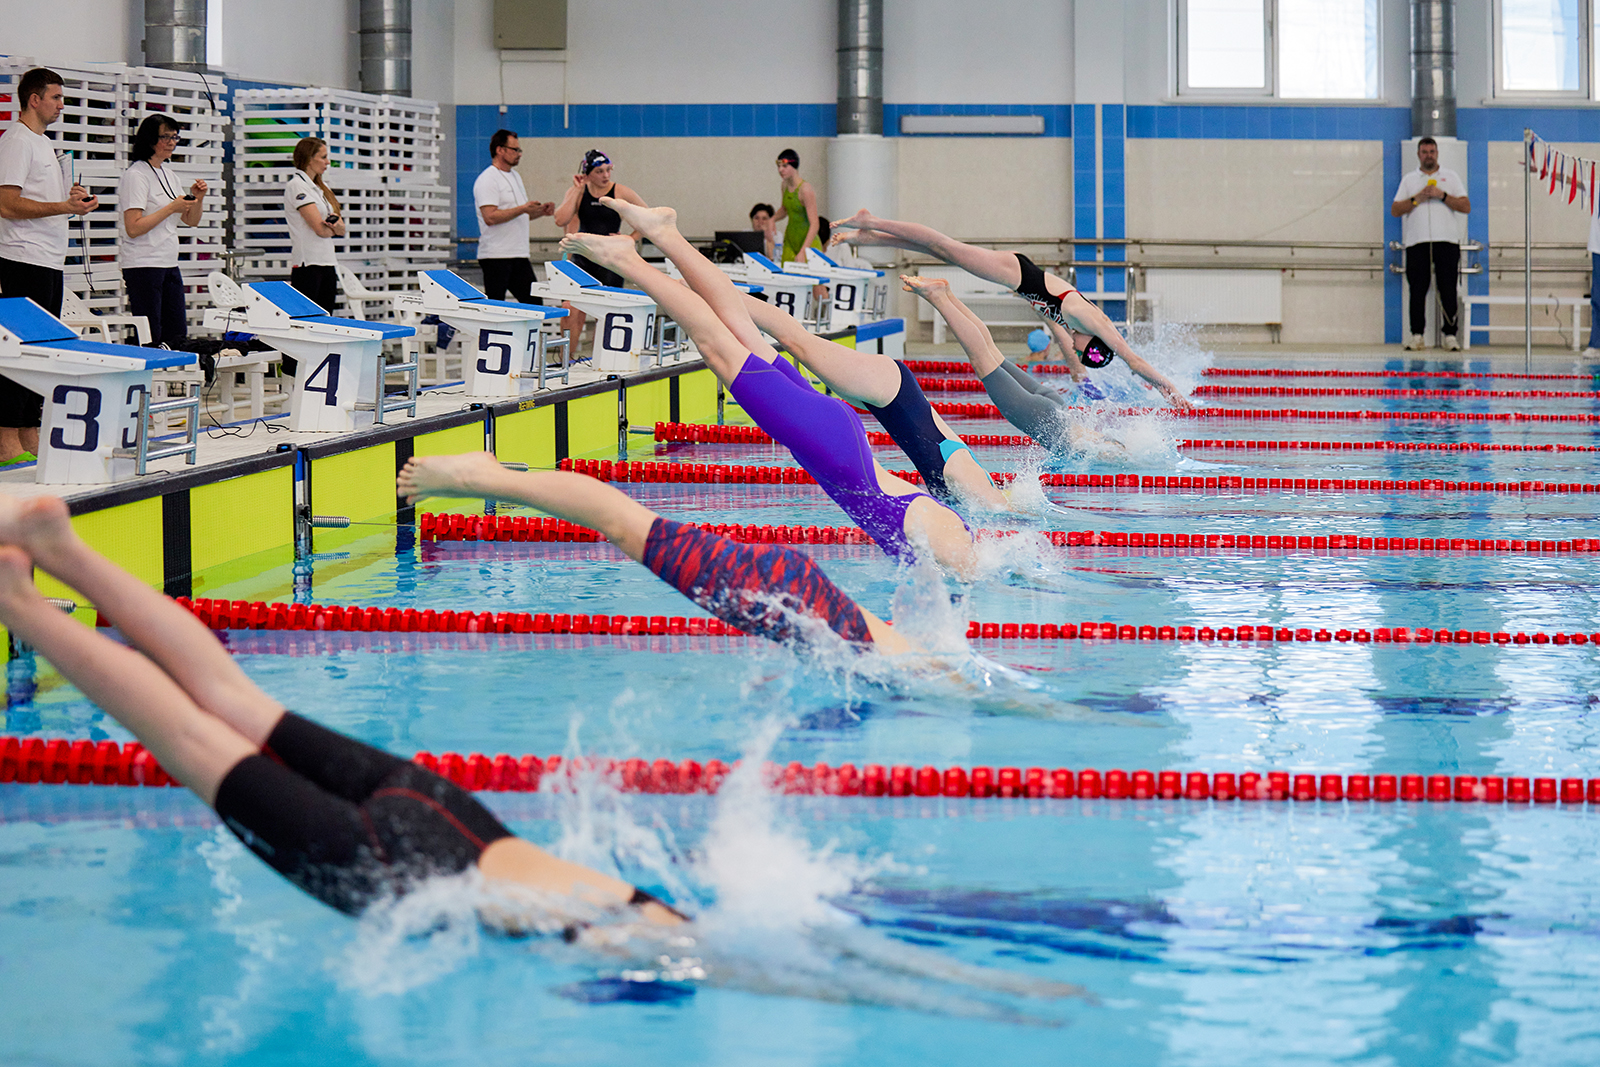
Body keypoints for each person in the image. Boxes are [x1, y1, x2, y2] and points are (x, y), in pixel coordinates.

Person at [0, 492, 690, 931]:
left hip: (459, 818)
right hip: (400, 873)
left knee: (233, 698)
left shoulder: (679, 924)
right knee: (188, 737)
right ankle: (18, 605)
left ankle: (64, 550)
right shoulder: (695, 962)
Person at [558, 200, 976, 577]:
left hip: (834, 441)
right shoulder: (958, 552)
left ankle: (666, 233)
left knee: (739, 332)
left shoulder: (960, 536)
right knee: (718, 346)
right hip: (833, 447)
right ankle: (630, 261)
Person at [399, 452, 914, 654]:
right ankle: (485, 476)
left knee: (628, 527)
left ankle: (490, 476)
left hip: (804, 602)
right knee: (625, 526)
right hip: (796, 596)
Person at [828, 210, 1193, 409]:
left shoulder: (1076, 327)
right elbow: (1133, 360)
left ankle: (873, 237)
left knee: (940, 251)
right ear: (1094, 344)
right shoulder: (1094, 322)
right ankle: (871, 221)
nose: (1076, 350)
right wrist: (1168, 387)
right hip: (1017, 273)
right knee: (943, 244)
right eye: (1083, 352)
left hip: (1017, 278)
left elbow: (1070, 347)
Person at [739, 290, 1011, 510]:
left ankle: (724, 307)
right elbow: (1002, 511)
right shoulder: (971, 480)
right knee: (798, 342)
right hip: (891, 389)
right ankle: (728, 295)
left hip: (883, 401)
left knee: (792, 353)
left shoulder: (966, 494)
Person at [0, 67, 98, 465]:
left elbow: (45, 204)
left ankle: (29, 432)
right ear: (34, 99)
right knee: (19, 351)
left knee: (41, 353)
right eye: (56, 97)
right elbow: (7, 203)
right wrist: (63, 206)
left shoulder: (43, 144)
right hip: (22, 259)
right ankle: (6, 440)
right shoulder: (17, 142)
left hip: (47, 260)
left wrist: (71, 201)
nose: (62, 104)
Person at [904, 275, 1101, 453]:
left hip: (1058, 409)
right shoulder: (1112, 453)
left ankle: (948, 296)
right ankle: (938, 297)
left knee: (991, 352)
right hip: (1046, 421)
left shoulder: (1116, 443)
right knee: (981, 358)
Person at [119, 115, 207, 348]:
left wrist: (197, 199)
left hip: (168, 262)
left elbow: (191, 220)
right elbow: (133, 227)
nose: (171, 142)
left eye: (174, 137)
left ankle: (174, 382)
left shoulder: (169, 174)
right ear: (149, 139)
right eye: (165, 137)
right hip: (144, 264)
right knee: (151, 336)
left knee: (176, 333)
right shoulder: (136, 175)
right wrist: (171, 208)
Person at [552, 149, 648, 348]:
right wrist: (577, 191)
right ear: (587, 173)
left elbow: (648, 217)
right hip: (582, 259)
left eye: (608, 170)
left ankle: (600, 364)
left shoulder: (620, 191)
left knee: (605, 314)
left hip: (610, 261)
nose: (605, 175)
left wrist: (630, 239)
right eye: (599, 172)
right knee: (571, 310)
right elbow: (560, 219)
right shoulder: (578, 191)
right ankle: (565, 360)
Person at [1390, 136, 1468, 352]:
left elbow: (1465, 205)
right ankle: (1417, 335)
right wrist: (1417, 199)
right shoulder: (1409, 180)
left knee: (1448, 289)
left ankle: (1450, 335)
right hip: (1418, 242)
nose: (1428, 156)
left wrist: (1442, 196)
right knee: (1417, 289)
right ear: (1418, 155)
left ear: (1437, 154)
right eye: (1424, 152)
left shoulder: (1450, 177)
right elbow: (1395, 210)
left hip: (1447, 242)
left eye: (1432, 152)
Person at [473, 129, 555, 304]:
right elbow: (490, 217)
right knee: (495, 307)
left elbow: (518, 214)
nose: (519, 154)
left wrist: (540, 211)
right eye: (514, 150)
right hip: (496, 256)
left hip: (518, 254)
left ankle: (527, 333)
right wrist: (523, 208)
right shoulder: (488, 179)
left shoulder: (515, 176)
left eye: (519, 150)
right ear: (499, 150)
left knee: (534, 304)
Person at [284, 136, 345, 314]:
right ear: (310, 159)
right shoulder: (296, 186)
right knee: (307, 320)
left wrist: (333, 227)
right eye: (323, 157)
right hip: (308, 264)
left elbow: (341, 229)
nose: (328, 162)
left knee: (326, 318)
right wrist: (332, 227)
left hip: (327, 261)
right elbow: (320, 230)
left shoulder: (321, 188)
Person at [773, 148, 819, 266]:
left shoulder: (805, 189)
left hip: (808, 241)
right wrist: (772, 220)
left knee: (815, 283)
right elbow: (785, 209)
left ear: (793, 166)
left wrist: (804, 250)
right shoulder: (784, 185)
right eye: (779, 166)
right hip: (791, 239)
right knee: (788, 278)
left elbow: (815, 223)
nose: (780, 170)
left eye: (784, 166)